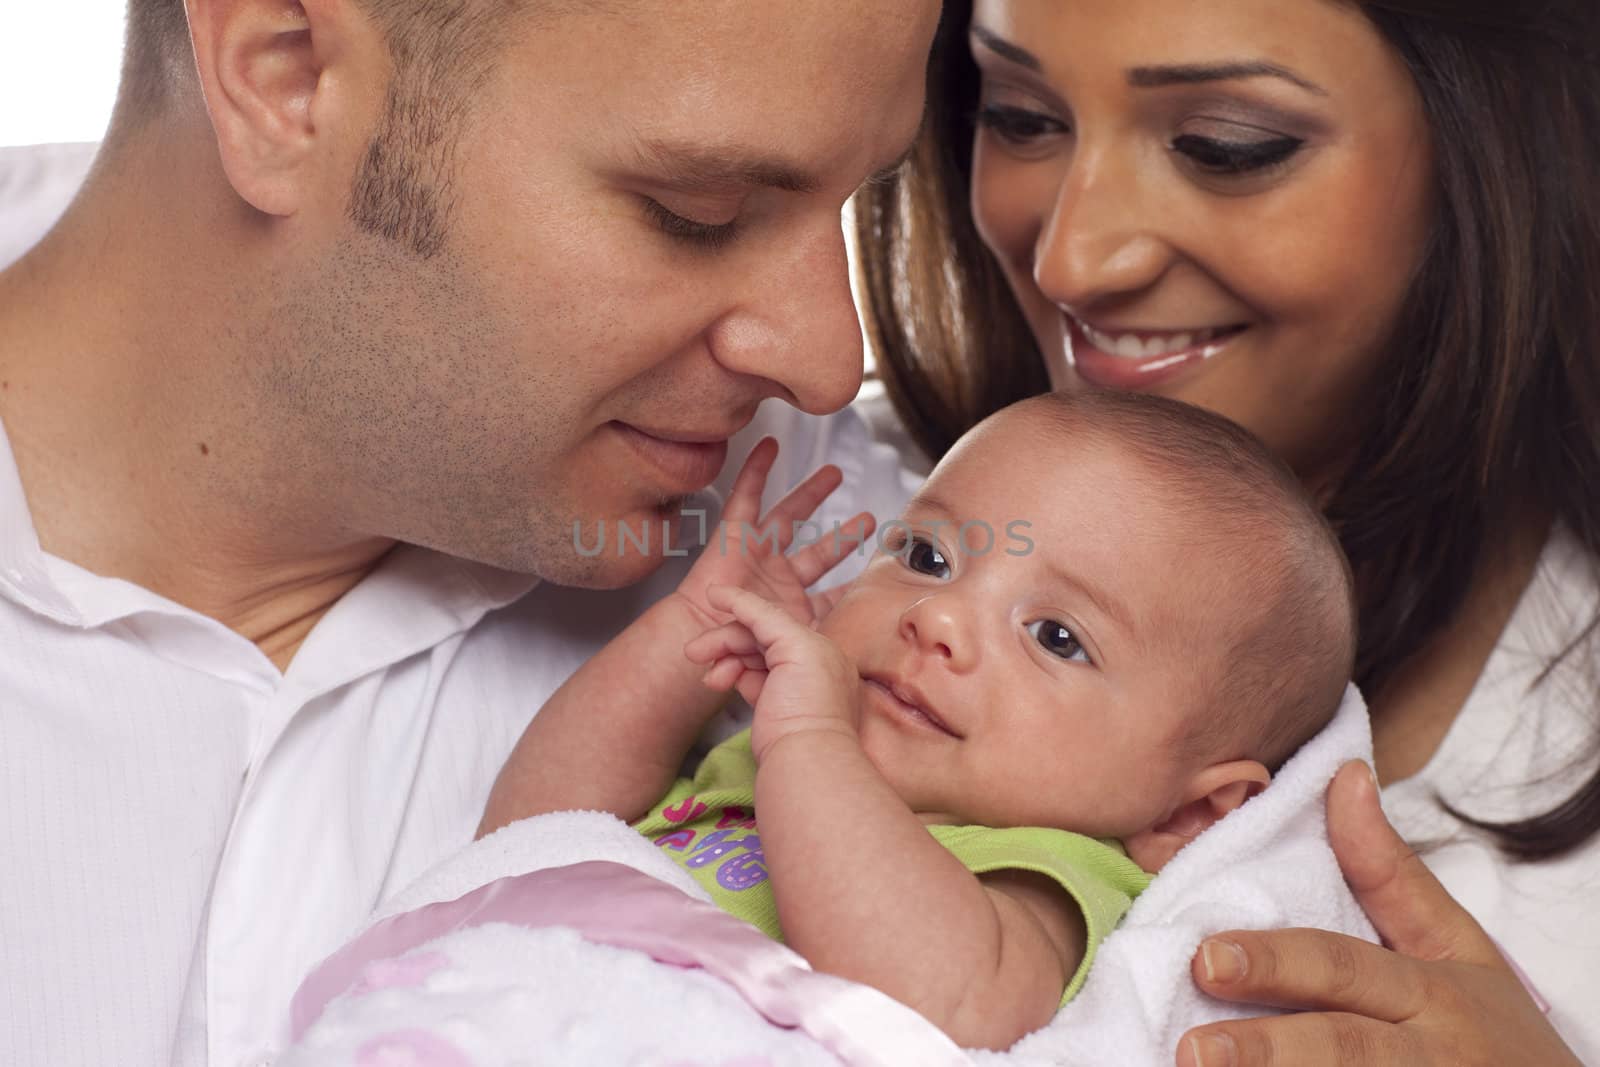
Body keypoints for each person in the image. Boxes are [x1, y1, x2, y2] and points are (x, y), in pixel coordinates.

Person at [0, 1, 940, 1063]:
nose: (825, 358)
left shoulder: (821, 527)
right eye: (699, 212)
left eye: (855, 203)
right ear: (283, 75)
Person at [854, 0, 1600, 1063]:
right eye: (1020, 117)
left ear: (1505, 150)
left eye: (1224, 147)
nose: (1072, 260)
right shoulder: (819, 503)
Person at [480, 389, 1358, 1050]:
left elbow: (949, 1006)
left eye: (1056, 636)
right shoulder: (747, 754)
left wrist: (810, 743)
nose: (937, 618)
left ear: (1189, 813)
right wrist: (693, 630)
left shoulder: (1044, 871)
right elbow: (531, 834)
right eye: (927, 556)